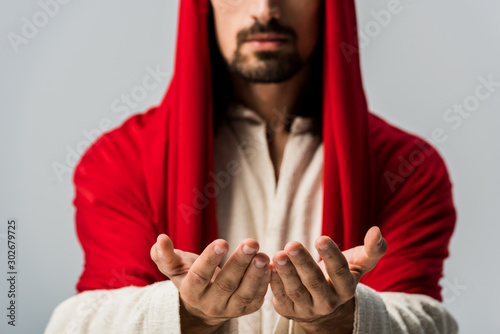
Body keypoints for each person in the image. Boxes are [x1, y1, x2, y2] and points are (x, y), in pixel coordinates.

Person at [45, 0, 459, 333]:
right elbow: (78, 322)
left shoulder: (407, 168)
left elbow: (429, 321)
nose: (264, 10)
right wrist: (188, 314)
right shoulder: (122, 158)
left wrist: (342, 320)